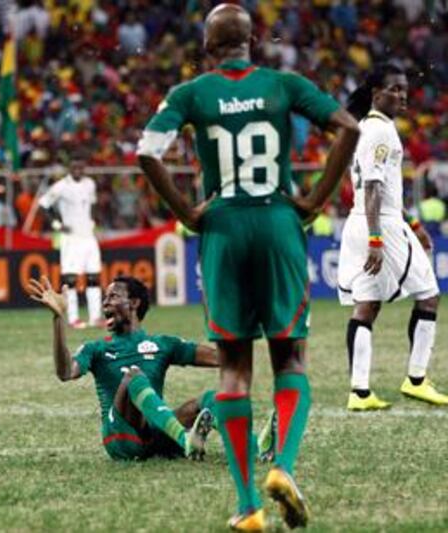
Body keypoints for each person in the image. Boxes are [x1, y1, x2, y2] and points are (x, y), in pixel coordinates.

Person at [136, 5, 360, 530]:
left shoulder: (191, 93)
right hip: (279, 220)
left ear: (209, 49)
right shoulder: (284, 84)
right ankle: (282, 467)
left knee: (235, 367)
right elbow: (347, 127)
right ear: (252, 42)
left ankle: (246, 506)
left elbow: (146, 152)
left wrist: (188, 212)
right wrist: (313, 201)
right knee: (292, 357)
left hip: (224, 225)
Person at [338, 64, 448, 410]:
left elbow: (381, 189)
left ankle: (359, 392)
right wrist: (376, 240)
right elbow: (372, 187)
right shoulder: (380, 132)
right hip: (379, 225)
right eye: (394, 89)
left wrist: (413, 224)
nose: (402, 96)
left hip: (363, 221)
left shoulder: (366, 129)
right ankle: (416, 379)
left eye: (404, 90)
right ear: (376, 94)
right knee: (429, 295)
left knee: (366, 307)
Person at [28, 275, 219, 461]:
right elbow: (65, 372)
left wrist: (222, 317)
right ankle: (184, 439)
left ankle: (242, 447)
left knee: (212, 399)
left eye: (113, 297)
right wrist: (58, 319)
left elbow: (221, 358)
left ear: (134, 303)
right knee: (134, 376)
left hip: (154, 436)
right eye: (105, 298)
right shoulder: (96, 349)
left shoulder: (164, 344)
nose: (105, 303)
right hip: (121, 439)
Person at [38, 158, 103, 329]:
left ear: (84, 168)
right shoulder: (61, 186)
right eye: (74, 167)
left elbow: (93, 204)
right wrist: (57, 225)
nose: (77, 170)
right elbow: (43, 205)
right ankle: (73, 318)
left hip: (88, 236)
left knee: (93, 277)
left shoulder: (90, 184)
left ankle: (95, 317)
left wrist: (93, 220)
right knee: (71, 279)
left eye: (80, 166)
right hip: (71, 238)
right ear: (69, 168)